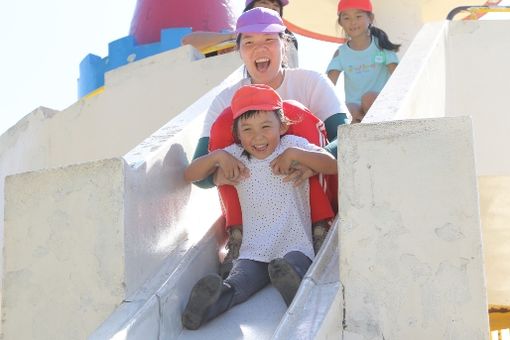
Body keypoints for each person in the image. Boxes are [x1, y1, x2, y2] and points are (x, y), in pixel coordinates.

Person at [192, 7, 349, 277]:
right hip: (256, 206)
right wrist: (219, 171)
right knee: (227, 122)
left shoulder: (310, 82)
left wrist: (311, 161)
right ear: (239, 51)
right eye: (249, 43)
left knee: (294, 112)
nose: (259, 49)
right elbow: (198, 172)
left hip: (305, 185)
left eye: (268, 40)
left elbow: (349, 139)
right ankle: (238, 235)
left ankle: (318, 227)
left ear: (284, 45)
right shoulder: (225, 100)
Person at [182, 84, 338, 330]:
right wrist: (216, 157)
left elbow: (332, 164)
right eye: (247, 130)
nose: (258, 137)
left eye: (266, 127)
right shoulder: (234, 155)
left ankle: (292, 282)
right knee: (240, 281)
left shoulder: (292, 145)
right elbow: (190, 174)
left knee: (294, 264)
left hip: (294, 242)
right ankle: (210, 303)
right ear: (237, 134)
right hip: (253, 249)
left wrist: (298, 154)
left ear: (282, 126)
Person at [326, 0, 400, 123]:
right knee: (347, 110)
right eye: (346, 18)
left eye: (358, 16)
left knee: (368, 98)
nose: (353, 22)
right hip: (354, 108)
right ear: (340, 22)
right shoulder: (341, 53)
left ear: (370, 18)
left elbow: (398, 76)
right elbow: (328, 84)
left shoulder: (381, 45)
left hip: (379, 103)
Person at [181, 0, 299, 67]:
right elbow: (187, 42)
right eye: (264, 3)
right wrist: (232, 37)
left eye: (275, 6)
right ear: (249, 8)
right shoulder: (233, 38)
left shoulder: (287, 37)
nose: (270, 9)